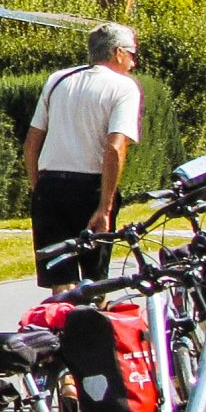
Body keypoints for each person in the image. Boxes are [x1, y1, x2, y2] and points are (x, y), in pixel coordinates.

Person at [23, 21, 143, 287]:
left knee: (60, 282)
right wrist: (105, 208)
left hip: (50, 186)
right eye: (132, 54)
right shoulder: (124, 87)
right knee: (94, 282)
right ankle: (90, 325)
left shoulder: (58, 79)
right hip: (90, 189)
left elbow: (32, 141)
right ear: (118, 52)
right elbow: (114, 147)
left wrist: (38, 188)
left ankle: (61, 326)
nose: (133, 63)